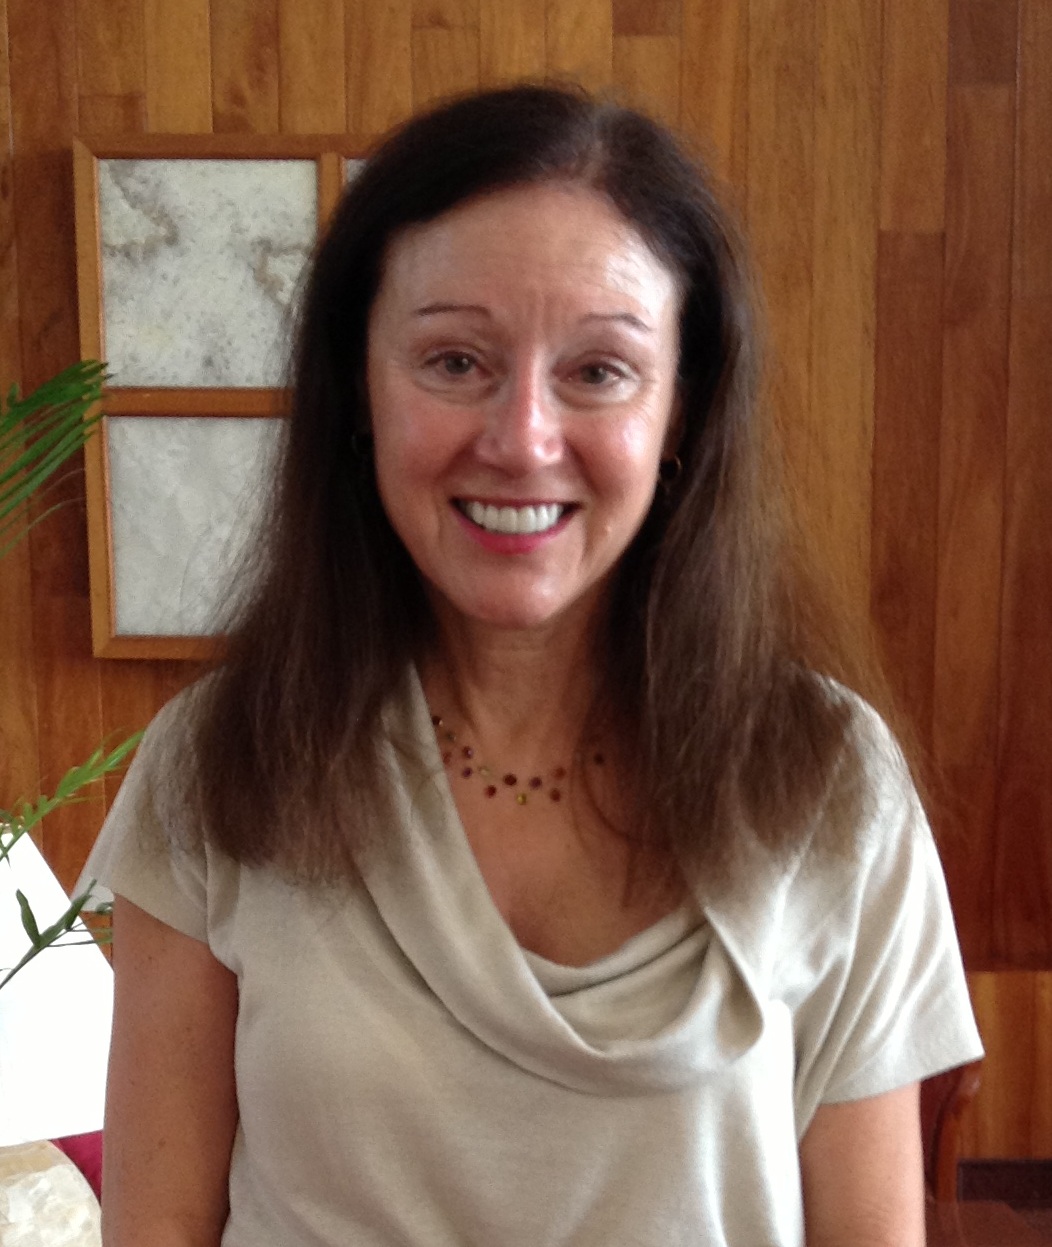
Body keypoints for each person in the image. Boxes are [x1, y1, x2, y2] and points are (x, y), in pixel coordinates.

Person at [87, 84, 982, 1247]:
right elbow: (156, 1226)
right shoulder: (221, 758)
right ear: (359, 387)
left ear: (681, 412)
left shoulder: (823, 774)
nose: (520, 438)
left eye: (598, 370)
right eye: (455, 359)